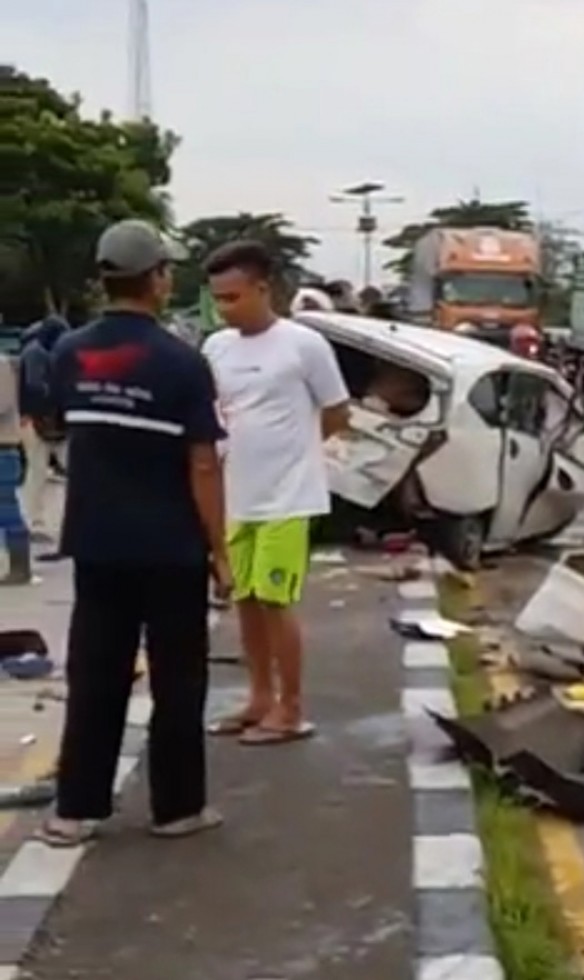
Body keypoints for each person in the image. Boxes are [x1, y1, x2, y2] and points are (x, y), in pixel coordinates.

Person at [36, 219, 230, 847]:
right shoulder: (183, 363)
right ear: (157, 279)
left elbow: (60, 424)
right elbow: (203, 463)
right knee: (178, 680)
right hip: (171, 548)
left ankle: (74, 810)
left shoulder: (70, 353)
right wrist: (221, 553)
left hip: (95, 542)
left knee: (95, 674)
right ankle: (177, 809)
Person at [201, 240, 350, 745]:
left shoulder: (304, 345)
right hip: (236, 496)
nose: (225, 308)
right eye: (218, 299)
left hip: (288, 497)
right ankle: (259, 697)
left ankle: (291, 707)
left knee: (274, 598)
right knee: (244, 599)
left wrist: (296, 455)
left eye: (234, 297)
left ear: (263, 289)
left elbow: (336, 413)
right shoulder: (216, 348)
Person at [17, 316, 69, 541]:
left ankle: (66, 520)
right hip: (35, 419)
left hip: (55, 420)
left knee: (51, 470)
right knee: (37, 470)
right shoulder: (34, 354)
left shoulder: (52, 352)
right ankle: (34, 522)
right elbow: (35, 387)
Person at [0, 354, 31, 585]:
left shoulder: (1, 365)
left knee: (6, 508)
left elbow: (1, 404)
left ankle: (20, 567)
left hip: (3, 447)